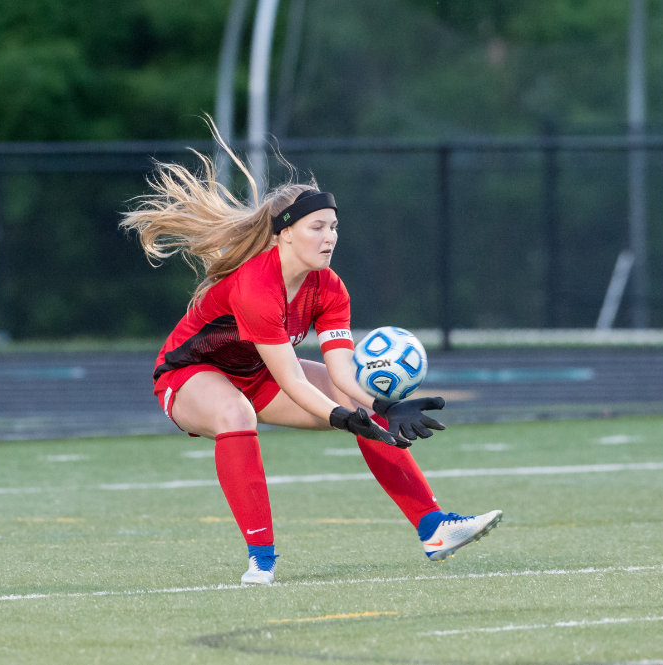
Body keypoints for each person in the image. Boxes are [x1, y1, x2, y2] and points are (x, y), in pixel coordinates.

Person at [120, 121, 501, 585]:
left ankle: (433, 527)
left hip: (258, 371)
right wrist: (343, 417)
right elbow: (294, 383)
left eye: (334, 226)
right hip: (188, 375)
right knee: (236, 414)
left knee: (360, 405)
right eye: (317, 226)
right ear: (284, 234)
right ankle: (261, 560)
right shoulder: (256, 287)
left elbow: (343, 373)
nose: (330, 237)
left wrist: (383, 405)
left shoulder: (329, 287)